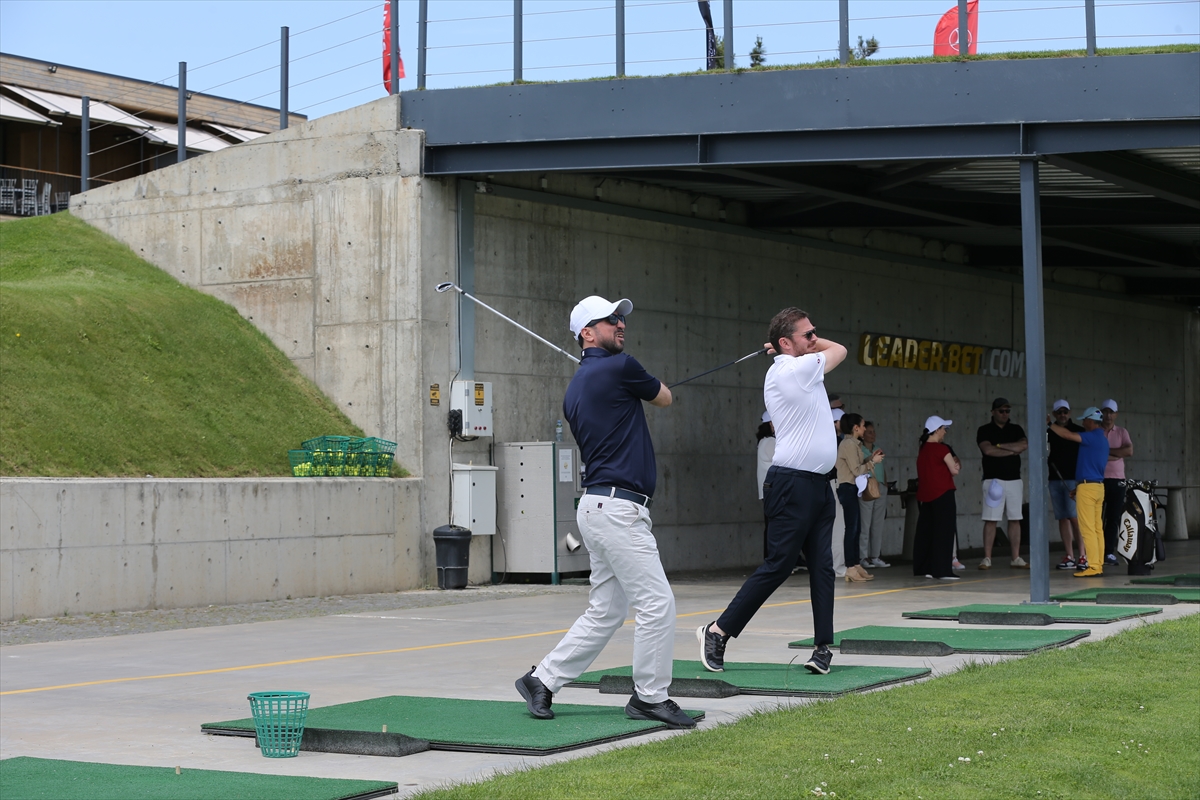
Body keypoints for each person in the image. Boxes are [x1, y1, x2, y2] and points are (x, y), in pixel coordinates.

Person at [515, 295, 695, 729]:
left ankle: (543, 679)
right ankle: (650, 696)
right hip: (617, 509)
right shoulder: (621, 367)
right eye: (610, 319)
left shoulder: (576, 387)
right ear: (587, 333)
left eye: (621, 318)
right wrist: (644, 384)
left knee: (607, 610)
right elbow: (666, 398)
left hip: (597, 507)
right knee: (657, 603)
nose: (621, 323)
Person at [698, 307, 847, 676]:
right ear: (786, 343)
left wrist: (794, 344)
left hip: (818, 484)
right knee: (778, 565)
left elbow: (821, 348)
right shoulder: (792, 369)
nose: (815, 340)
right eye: (807, 334)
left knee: (823, 568)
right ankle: (717, 632)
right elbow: (840, 349)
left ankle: (822, 647)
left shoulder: (797, 364)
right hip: (791, 483)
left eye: (815, 333)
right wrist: (790, 350)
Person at [1048, 406, 1110, 578]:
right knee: (1097, 528)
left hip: (1088, 488)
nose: (1083, 423)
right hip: (1097, 486)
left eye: (1084, 420)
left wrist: (1050, 424)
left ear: (1091, 421)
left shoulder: (1090, 437)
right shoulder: (1103, 440)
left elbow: (1067, 435)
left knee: (1087, 528)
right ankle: (1098, 563)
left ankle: (1093, 566)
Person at [976, 397, 1029, 569]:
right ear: (993, 412)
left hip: (1014, 479)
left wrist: (999, 446)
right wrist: (1010, 450)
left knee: (1015, 518)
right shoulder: (984, 430)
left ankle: (1016, 557)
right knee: (991, 519)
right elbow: (988, 450)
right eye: (1001, 411)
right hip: (994, 480)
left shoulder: (1016, 428)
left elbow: (1023, 445)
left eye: (1007, 411)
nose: (1005, 414)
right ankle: (987, 558)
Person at [913, 415, 961, 580]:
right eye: (943, 429)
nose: (945, 432)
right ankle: (942, 570)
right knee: (944, 532)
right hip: (943, 493)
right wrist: (954, 466)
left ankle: (924, 567)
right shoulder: (942, 449)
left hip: (926, 495)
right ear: (937, 430)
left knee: (927, 532)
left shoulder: (923, 448)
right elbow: (954, 470)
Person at [836, 412, 882, 582]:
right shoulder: (848, 444)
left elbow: (858, 465)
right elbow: (856, 470)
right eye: (863, 426)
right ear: (856, 428)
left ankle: (855, 564)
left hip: (852, 488)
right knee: (852, 528)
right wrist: (873, 463)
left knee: (855, 528)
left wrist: (871, 458)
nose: (865, 428)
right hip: (847, 487)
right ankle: (850, 566)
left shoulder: (853, 444)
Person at [1046, 399, 1086, 571]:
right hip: (1055, 478)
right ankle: (1069, 555)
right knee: (1062, 517)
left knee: (1075, 518)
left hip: (1073, 479)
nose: (1062, 415)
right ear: (1055, 414)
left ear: (1069, 413)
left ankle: (1083, 555)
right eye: (1059, 412)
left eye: (1065, 412)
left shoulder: (1078, 430)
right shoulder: (1048, 431)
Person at [1100, 399, 1133, 567]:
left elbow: (1128, 451)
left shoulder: (1121, 432)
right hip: (1098, 479)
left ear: (1116, 414)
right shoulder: (1096, 431)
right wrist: (1116, 454)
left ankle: (1108, 552)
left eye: (1111, 412)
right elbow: (1093, 453)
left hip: (1118, 479)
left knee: (1113, 518)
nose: (1108, 415)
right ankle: (1096, 551)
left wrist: (1104, 452)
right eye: (1105, 412)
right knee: (1097, 518)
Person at [858, 421, 890, 569]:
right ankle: (863, 556)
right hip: (867, 487)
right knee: (865, 523)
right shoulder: (860, 449)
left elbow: (882, 469)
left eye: (873, 432)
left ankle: (875, 555)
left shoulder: (878, 449)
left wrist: (885, 483)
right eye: (869, 432)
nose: (872, 435)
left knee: (878, 523)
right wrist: (871, 458)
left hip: (880, 486)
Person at [829, 407, 848, 578]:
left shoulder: (828, 439)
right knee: (838, 528)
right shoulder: (835, 441)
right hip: (834, 484)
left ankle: (834, 565)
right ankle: (837, 566)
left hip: (826, 485)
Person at [757, 411, 775, 560]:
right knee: (773, 526)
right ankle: (771, 557)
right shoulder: (770, 442)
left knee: (771, 525)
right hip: (772, 490)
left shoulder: (764, 441)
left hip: (767, 490)